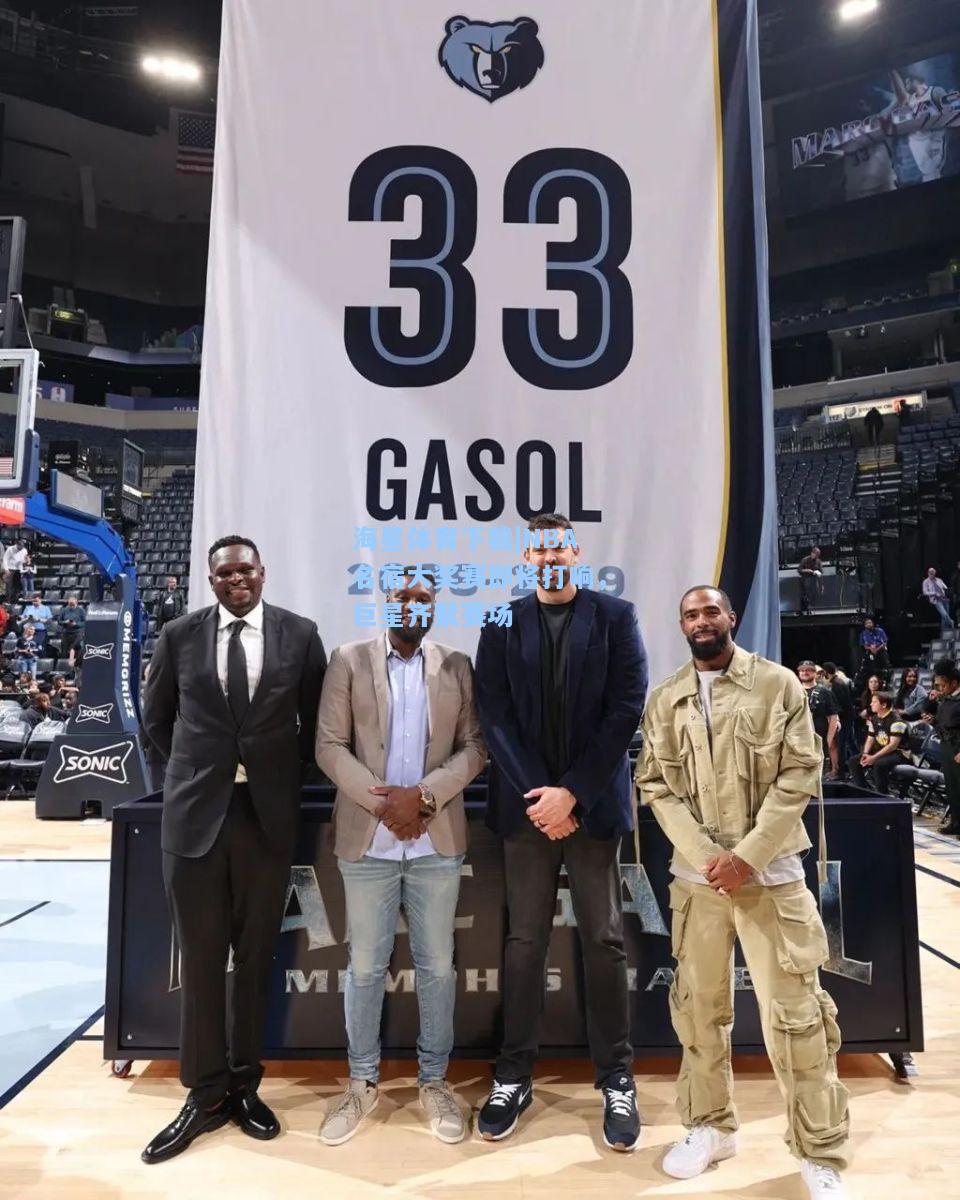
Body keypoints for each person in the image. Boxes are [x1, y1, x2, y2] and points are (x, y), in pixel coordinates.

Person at [636, 585, 849, 1200]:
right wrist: (710, 859)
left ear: (730, 618)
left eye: (711, 611)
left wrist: (747, 856)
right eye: (690, 614)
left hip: (773, 878)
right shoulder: (665, 697)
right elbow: (655, 784)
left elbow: (800, 772)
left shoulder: (778, 684)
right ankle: (709, 1127)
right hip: (697, 883)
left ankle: (818, 1151)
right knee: (699, 1013)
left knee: (798, 1017)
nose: (701, 621)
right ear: (681, 626)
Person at [140, 535, 327, 1165]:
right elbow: (156, 719)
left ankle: (246, 1085)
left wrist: (275, 781)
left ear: (262, 574)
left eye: (245, 569)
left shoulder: (301, 636)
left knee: (253, 958)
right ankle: (204, 1093)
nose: (236, 579)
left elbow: (317, 728)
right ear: (212, 579)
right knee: (199, 959)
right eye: (225, 572)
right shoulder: (179, 636)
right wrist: (197, 775)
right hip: (195, 820)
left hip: (266, 821)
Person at [473, 513, 647, 1152]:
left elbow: (626, 707)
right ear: (527, 556)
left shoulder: (616, 616)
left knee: (603, 941)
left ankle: (617, 1076)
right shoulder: (498, 619)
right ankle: (513, 1073)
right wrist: (542, 799)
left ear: (576, 553)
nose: (550, 557)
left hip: (593, 809)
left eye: (559, 546)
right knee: (524, 942)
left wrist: (573, 791)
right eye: (539, 548)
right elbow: (493, 715)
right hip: (527, 815)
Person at [315, 568, 486, 1147]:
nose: (411, 606)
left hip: (437, 841)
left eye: (422, 597)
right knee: (365, 966)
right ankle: (361, 1081)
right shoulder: (348, 659)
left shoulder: (457, 665)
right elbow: (328, 745)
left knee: (438, 965)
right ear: (385, 603)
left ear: (434, 604)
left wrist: (427, 798)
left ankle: (434, 1080)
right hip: (369, 841)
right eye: (401, 597)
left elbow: (475, 748)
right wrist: (385, 804)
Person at [847, 691, 909, 795]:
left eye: (874, 702)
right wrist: (866, 754)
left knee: (879, 764)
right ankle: (863, 791)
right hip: (881, 751)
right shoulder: (874, 719)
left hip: (899, 753)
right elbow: (870, 738)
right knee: (853, 761)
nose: (871, 704)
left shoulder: (897, 721)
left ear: (884, 705)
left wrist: (874, 757)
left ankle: (882, 795)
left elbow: (893, 746)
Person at [797, 661, 840, 779]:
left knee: (816, 779)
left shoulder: (825, 692)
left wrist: (828, 740)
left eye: (808, 670)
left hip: (818, 740)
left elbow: (833, 717)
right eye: (802, 670)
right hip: (797, 741)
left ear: (814, 673)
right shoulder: (793, 691)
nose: (805, 672)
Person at [932, 659, 960, 836]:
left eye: (943, 685)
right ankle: (956, 822)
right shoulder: (947, 699)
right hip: (947, 746)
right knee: (952, 788)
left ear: (954, 682)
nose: (941, 688)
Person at [821, 663, 858, 771]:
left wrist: (834, 716)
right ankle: (858, 766)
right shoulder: (838, 683)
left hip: (844, 718)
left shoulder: (837, 685)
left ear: (826, 672)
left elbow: (840, 704)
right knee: (851, 743)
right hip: (847, 717)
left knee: (841, 745)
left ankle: (840, 772)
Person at [921, 567, 954, 633]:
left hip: (944, 599)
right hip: (936, 600)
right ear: (928, 573)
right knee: (944, 614)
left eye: (933, 572)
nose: (931, 573)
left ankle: (945, 633)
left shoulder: (939, 580)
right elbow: (925, 592)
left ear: (935, 573)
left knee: (944, 618)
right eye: (930, 572)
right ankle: (951, 621)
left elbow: (945, 588)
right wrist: (934, 593)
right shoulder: (925, 582)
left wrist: (946, 592)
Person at [58, 596, 86, 663]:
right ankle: (63, 665)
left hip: (77, 632)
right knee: (64, 650)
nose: (71, 606)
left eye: (73, 604)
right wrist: (65, 622)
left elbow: (85, 622)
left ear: (76, 603)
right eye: (70, 604)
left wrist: (76, 624)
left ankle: (77, 664)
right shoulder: (64, 610)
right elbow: (59, 621)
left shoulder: (81, 610)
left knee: (75, 648)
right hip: (66, 632)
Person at [797, 547, 823, 613]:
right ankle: (803, 609)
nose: (816, 556)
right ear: (812, 553)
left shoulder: (818, 561)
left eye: (817, 555)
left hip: (814, 580)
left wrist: (817, 572)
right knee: (805, 594)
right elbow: (799, 570)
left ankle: (811, 608)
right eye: (815, 554)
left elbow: (821, 571)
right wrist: (807, 570)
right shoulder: (805, 560)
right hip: (805, 579)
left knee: (813, 593)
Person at [2, 538, 28, 603]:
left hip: (18, 569)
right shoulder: (10, 549)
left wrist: (26, 560)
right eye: (20, 546)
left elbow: (23, 560)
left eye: (22, 546)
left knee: (17, 585)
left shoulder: (24, 550)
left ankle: (15, 600)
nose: (21, 548)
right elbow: (5, 559)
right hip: (10, 569)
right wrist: (6, 569)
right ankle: (8, 600)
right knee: (9, 585)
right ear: (17, 544)